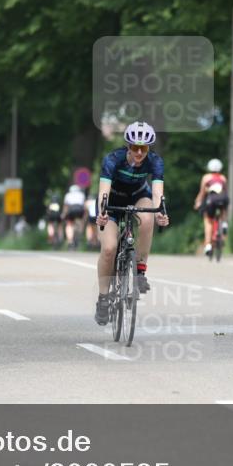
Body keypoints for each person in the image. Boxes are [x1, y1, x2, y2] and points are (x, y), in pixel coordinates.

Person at [94, 121, 169, 325]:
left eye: (144, 148)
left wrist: (161, 213)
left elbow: (157, 194)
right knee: (109, 249)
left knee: (148, 217)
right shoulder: (113, 159)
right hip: (112, 202)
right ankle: (103, 298)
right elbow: (103, 191)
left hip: (137, 196)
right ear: (128, 146)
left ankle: (140, 271)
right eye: (135, 147)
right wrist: (102, 213)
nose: (139, 152)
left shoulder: (155, 161)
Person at [192, 158, 228, 258]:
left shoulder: (206, 177)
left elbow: (202, 193)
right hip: (223, 198)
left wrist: (197, 202)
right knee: (223, 209)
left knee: (208, 221)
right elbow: (226, 191)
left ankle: (208, 245)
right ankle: (224, 224)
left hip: (211, 200)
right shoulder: (223, 178)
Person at [62, 184, 86, 250]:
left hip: (71, 209)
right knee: (80, 222)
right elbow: (84, 206)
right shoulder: (82, 195)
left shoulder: (67, 195)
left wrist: (64, 214)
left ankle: (70, 241)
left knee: (69, 224)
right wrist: (84, 216)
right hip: (80, 209)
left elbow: (66, 206)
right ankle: (79, 234)